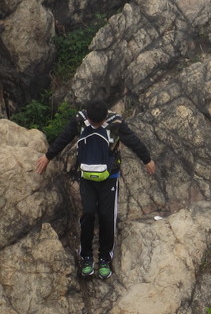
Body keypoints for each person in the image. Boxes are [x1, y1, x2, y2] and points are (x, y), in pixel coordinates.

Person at [35, 100, 156, 280]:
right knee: (89, 214)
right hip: (86, 177)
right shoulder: (80, 121)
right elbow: (64, 137)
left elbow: (133, 140)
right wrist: (48, 156)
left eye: (97, 124)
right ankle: (86, 256)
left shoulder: (116, 124)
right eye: (93, 123)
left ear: (105, 117)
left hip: (110, 178)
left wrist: (147, 159)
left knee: (107, 217)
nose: (94, 126)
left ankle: (105, 258)